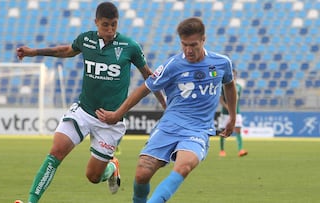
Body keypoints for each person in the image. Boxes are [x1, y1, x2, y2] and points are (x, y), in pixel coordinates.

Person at [15, 2, 166, 203]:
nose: (110, 29)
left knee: (93, 176)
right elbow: (66, 50)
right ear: (96, 22)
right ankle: (31, 201)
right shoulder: (86, 40)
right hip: (84, 111)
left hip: (110, 122)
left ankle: (112, 168)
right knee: (56, 151)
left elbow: (150, 77)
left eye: (114, 24)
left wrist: (166, 106)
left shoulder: (130, 46)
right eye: (105, 25)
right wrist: (34, 52)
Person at [96, 17, 237, 203]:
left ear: (204, 40)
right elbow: (145, 88)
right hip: (169, 126)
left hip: (198, 129)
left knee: (183, 167)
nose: (188, 50)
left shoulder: (221, 63)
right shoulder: (174, 65)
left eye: (193, 44)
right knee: (141, 174)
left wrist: (233, 117)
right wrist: (117, 114)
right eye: (184, 44)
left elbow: (229, 85)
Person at [218, 69, 248, 157]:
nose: (233, 76)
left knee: (238, 130)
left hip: (236, 112)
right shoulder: (223, 86)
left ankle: (240, 150)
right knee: (223, 131)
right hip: (225, 113)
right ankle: (222, 150)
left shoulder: (239, 86)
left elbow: (237, 99)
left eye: (234, 75)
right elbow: (220, 99)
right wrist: (227, 106)